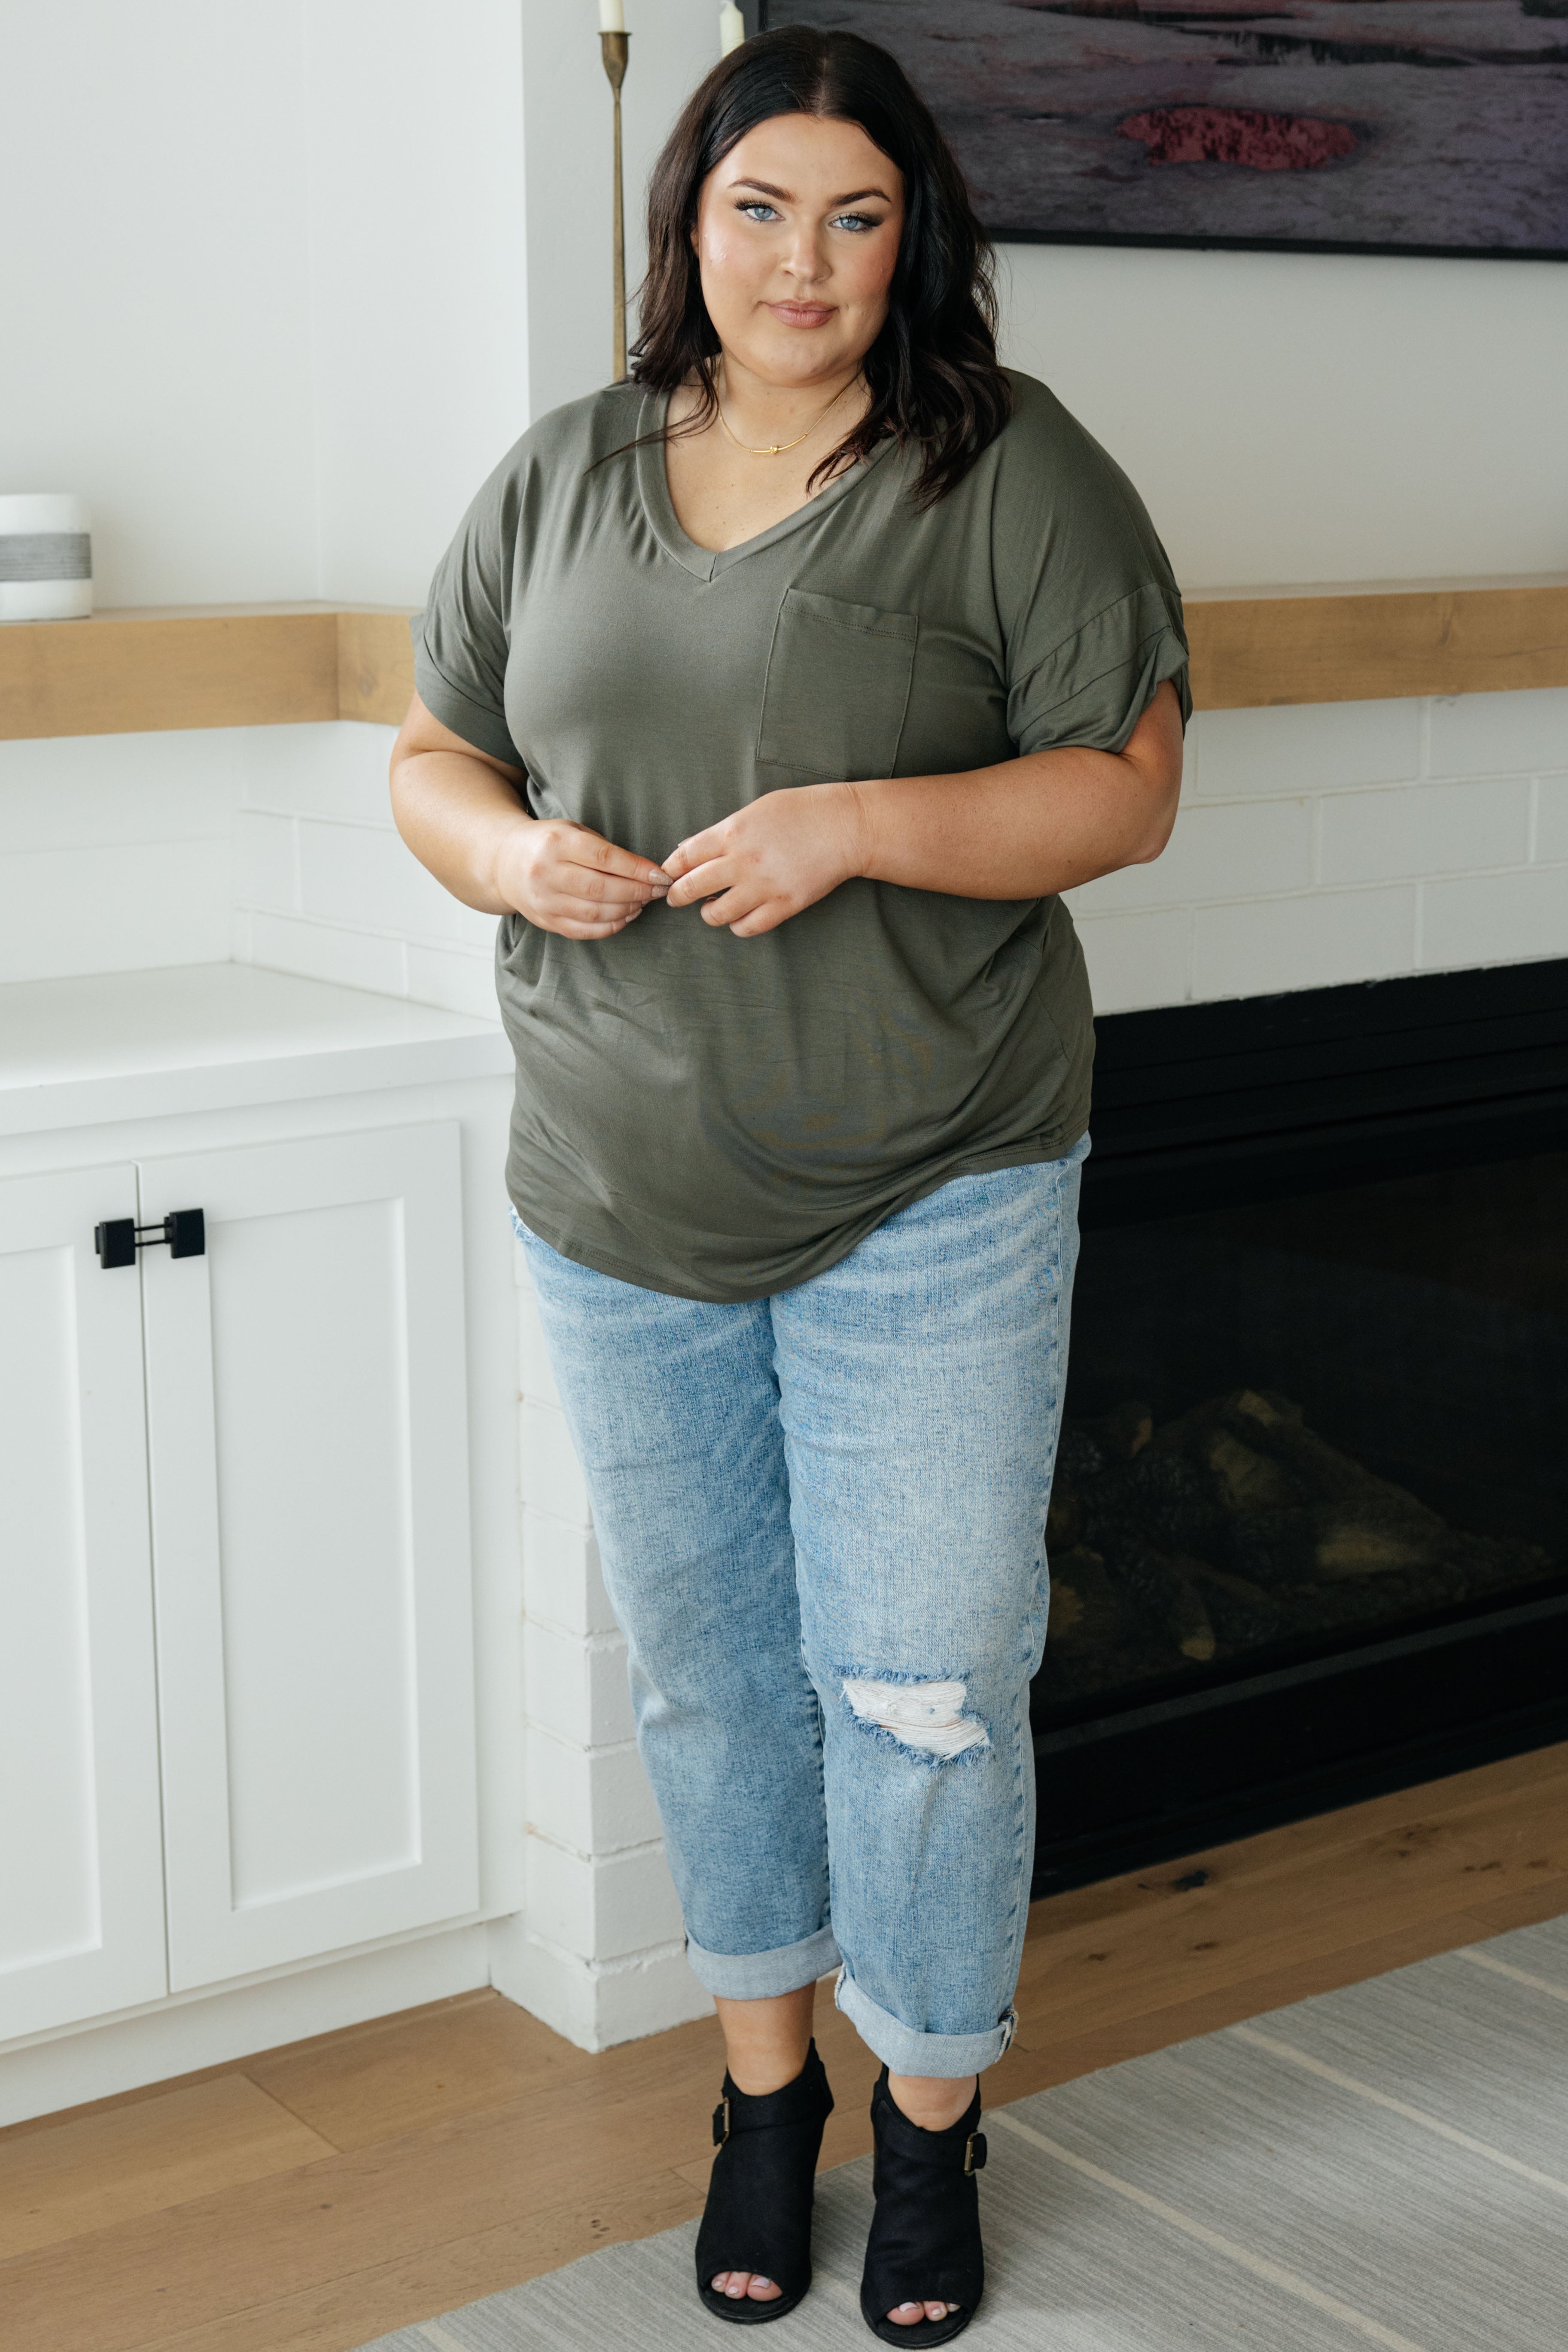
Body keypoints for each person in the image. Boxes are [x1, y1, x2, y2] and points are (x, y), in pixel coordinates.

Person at [390, 24, 1185, 2342]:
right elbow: (434, 747)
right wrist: (501, 857)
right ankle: (766, 2097)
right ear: (691, 227)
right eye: (759, 209)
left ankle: (929, 2116)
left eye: (856, 214)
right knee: (717, 1686)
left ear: (912, 237)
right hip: (614, 1188)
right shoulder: (561, 470)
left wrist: (857, 824)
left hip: (932, 1184)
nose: (803, 261)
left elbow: (1125, 789)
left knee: (923, 1690)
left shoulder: (1008, 466)